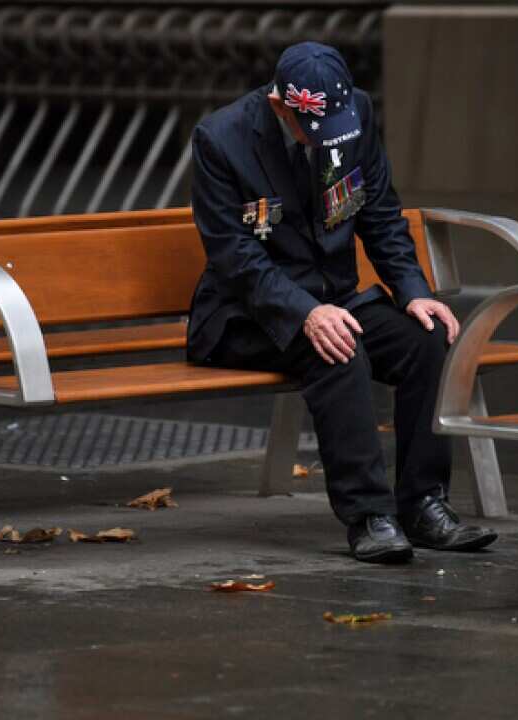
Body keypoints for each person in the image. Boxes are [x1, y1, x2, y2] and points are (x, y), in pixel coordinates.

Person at [186, 41, 496, 563]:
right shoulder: (222, 139)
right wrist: (304, 312)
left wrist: (414, 293)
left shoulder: (355, 113)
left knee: (429, 340)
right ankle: (370, 516)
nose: (324, 141)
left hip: (336, 298)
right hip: (249, 313)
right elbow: (234, 257)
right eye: (312, 130)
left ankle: (423, 503)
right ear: (281, 105)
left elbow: (379, 215)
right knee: (338, 347)